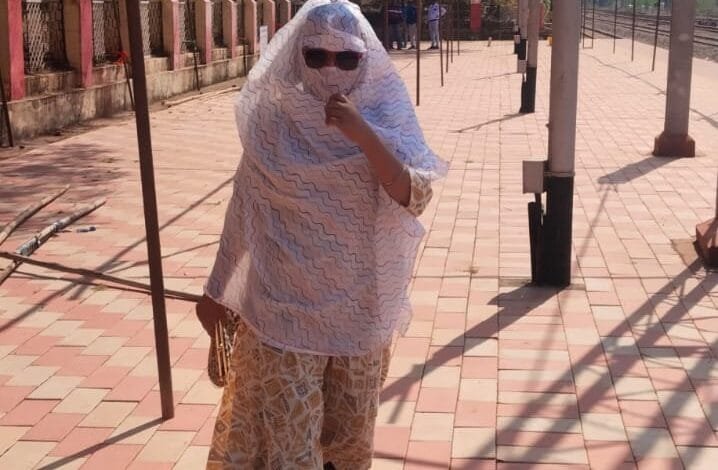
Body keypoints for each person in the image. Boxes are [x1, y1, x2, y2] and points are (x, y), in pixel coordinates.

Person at [197, 0, 447, 468]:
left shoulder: (383, 115)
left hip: (358, 316)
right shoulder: (271, 123)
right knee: (289, 448)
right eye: (317, 55)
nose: (331, 69)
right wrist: (216, 290)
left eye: (346, 57)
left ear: (364, 59)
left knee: (346, 447)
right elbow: (243, 209)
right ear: (297, 57)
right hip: (281, 315)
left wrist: (364, 134)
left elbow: (413, 196)